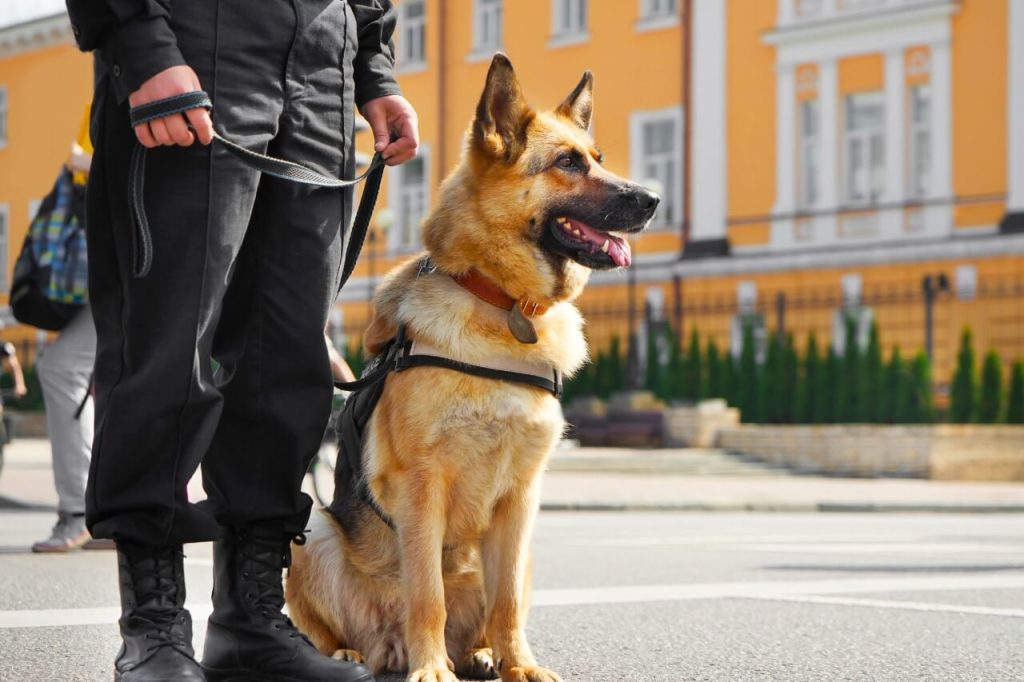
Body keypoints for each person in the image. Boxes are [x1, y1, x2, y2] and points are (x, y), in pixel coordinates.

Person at [65, 1, 418, 680]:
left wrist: (373, 67)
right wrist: (139, 40)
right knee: (168, 348)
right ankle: (154, 627)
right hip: (194, 39)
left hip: (323, 58)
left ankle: (249, 620)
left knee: (287, 359)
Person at [31, 113, 111, 554]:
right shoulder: (104, 87)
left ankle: (84, 511)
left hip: (140, 262)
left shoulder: (134, 69)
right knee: (126, 378)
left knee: (62, 367)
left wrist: (85, 164)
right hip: (127, 261)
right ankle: (121, 512)